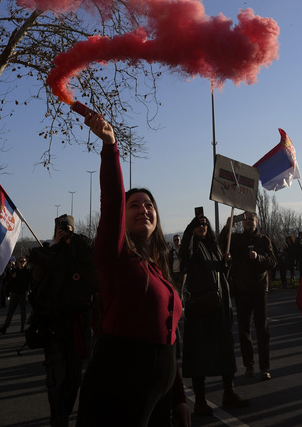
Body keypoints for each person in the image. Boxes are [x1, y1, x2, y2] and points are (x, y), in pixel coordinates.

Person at [75, 110, 189, 427]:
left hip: (159, 398)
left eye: (149, 204)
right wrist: (111, 146)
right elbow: (112, 202)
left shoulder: (158, 268)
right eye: (135, 205)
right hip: (118, 389)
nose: (144, 209)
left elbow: (168, 341)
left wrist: (178, 396)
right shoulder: (116, 258)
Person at [29, 214, 97, 427]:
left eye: (67, 228)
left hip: (78, 327)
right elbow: (38, 281)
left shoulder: (82, 254)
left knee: (73, 382)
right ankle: (59, 422)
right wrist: (56, 249)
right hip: (54, 328)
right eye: (60, 228)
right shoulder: (48, 255)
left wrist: (74, 245)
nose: (64, 231)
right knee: (56, 382)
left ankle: (62, 417)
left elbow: (93, 272)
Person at [182, 213, 246, 414]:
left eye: (205, 225)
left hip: (220, 308)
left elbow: (221, 276)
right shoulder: (192, 248)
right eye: (198, 225)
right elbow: (185, 250)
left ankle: (229, 393)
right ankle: (200, 401)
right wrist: (191, 228)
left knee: (226, 354)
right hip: (200, 310)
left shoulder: (214, 246)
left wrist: (225, 263)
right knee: (198, 357)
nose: (202, 228)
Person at [221, 209, 277, 381]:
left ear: (257, 222)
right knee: (244, 330)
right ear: (242, 223)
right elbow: (220, 244)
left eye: (251, 218)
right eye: (245, 219)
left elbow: (273, 262)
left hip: (260, 290)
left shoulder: (263, 240)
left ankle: (264, 367)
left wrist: (258, 257)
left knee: (262, 330)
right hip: (242, 290)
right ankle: (249, 366)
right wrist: (227, 227)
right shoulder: (236, 239)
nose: (248, 221)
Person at [0, 256, 32, 334]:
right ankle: (5, 327)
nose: (22, 263)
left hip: (23, 293)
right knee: (10, 311)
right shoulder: (15, 271)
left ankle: (22, 327)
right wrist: (12, 278)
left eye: (23, 261)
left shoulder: (27, 271)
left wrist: (27, 290)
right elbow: (10, 282)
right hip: (15, 292)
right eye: (21, 261)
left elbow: (29, 283)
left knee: (23, 311)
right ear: (18, 262)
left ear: (25, 263)